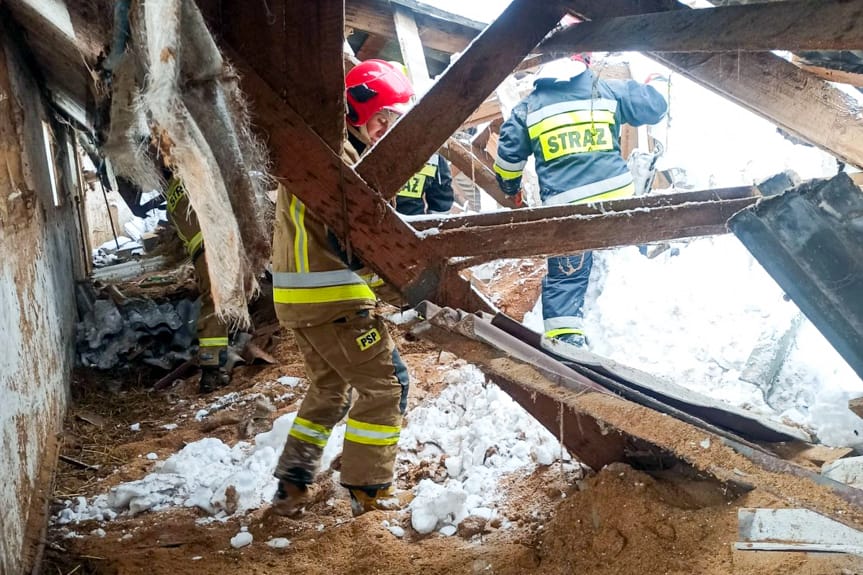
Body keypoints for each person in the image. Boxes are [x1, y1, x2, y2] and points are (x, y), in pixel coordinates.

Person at [270, 59, 412, 517]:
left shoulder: (314, 148)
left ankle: (292, 483)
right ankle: (368, 493)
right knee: (386, 388)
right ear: (355, 113)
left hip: (297, 301)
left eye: (393, 118)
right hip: (334, 302)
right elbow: (354, 246)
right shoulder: (340, 164)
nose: (385, 127)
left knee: (330, 389)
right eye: (380, 117)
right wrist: (399, 294)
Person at [493, 53, 668, 347]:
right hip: (619, 204)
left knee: (566, 279)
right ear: (584, 65)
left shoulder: (528, 108)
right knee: (628, 268)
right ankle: (638, 329)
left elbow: (507, 161)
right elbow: (654, 106)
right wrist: (656, 81)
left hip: (567, 214)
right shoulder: (606, 89)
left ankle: (565, 345)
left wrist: (510, 188)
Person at [164, 176, 231, 392]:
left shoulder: (172, 198)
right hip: (211, 249)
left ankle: (214, 366)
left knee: (213, 302)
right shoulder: (191, 178)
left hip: (200, 254)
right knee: (215, 305)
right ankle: (212, 371)